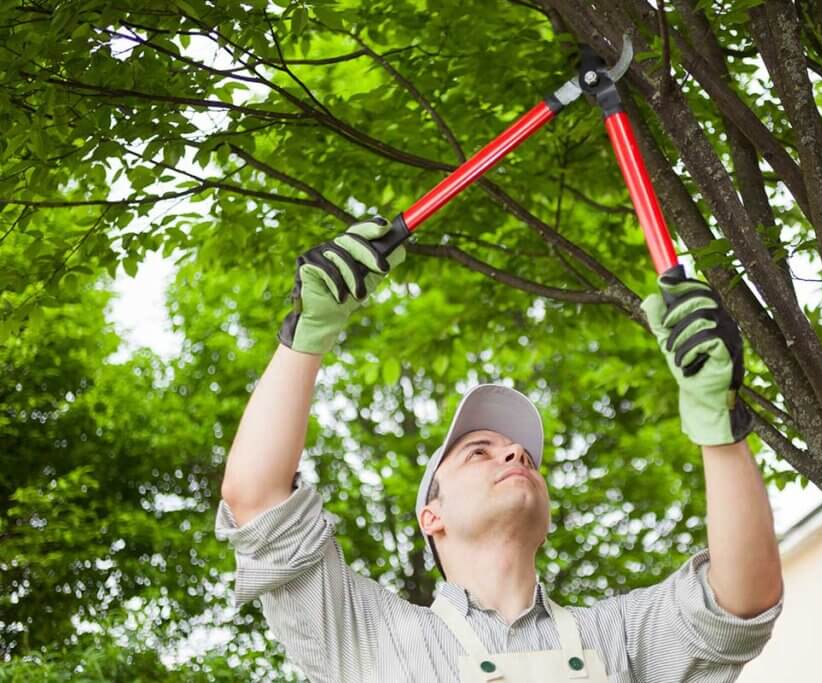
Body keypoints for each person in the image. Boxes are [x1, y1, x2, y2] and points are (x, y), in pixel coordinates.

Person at [216, 220, 784, 682]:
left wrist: (719, 424)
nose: (514, 456)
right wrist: (308, 333)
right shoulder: (369, 638)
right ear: (430, 516)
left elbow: (742, 601)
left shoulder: (619, 637)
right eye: (479, 452)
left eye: (525, 458)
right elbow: (257, 501)